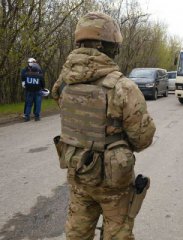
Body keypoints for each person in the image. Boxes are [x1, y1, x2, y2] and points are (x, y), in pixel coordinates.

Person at [52, 12, 156, 240]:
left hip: (78, 172)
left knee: (77, 232)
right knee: (118, 234)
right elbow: (142, 138)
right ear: (108, 47)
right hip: (114, 183)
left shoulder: (63, 84)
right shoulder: (123, 87)